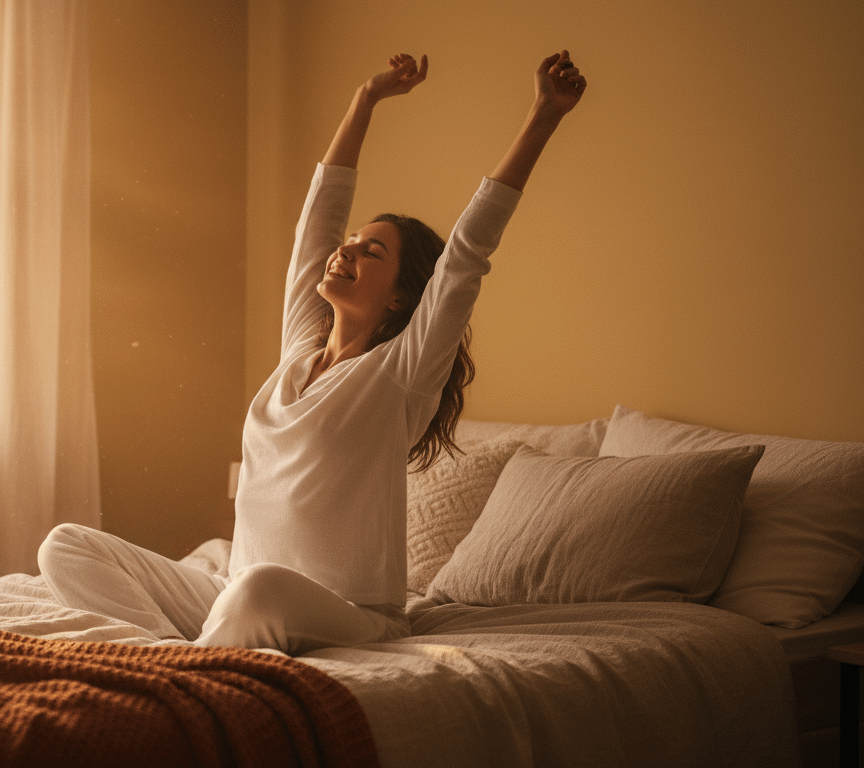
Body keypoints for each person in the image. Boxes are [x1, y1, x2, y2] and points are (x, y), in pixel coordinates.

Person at [39, 50, 587, 654]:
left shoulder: (399, 375)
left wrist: (544, 115)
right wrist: (364, 101)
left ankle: (189, 664)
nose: (344, 252)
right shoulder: (300, 349)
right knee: (65, 544)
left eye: (370, 253)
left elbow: (466, 255)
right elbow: (317, 224)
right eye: (351, 242)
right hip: (233, 589)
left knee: (258, 594)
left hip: (348, 611)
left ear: (405, 298)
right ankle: (169, 656)